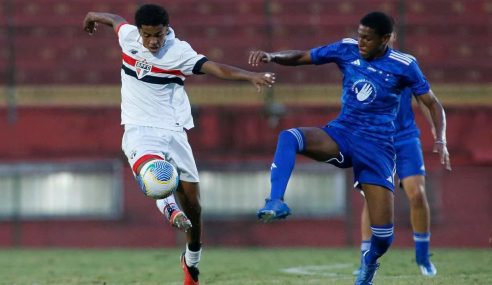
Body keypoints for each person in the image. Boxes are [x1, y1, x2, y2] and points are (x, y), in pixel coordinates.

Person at [249, 11, 450, 285]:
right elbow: (303, 56)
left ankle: (370, 261)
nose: (361, 42)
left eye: (367, 38)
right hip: (342, 134)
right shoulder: (346, 49)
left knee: (383, 237)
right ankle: (276, 201)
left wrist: (440, 139)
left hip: (378, 150)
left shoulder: (404, 65)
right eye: (360, 35)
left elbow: (432, 103)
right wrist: (272, 56)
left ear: (385, 39)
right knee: (290, 136)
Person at [83, 4, 275, 285]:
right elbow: (115, 20)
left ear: (167, 29)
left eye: (158, 35)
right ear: (139, 32)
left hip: (174, 131)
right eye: (147, 35)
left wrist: (250, 76)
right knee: (154, 173)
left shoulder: (179, 52)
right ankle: (169, 209)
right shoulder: (128, 38)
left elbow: (214, 67)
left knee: (194, 208)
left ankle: (191, 263)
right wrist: (92, 17)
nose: (152, 42)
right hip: (139, 128)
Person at [353, 30, 451, 277]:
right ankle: (366, 257)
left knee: (417, 194)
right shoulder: (359, 65)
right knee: (371, 199)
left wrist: (437, 134)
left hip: (406, 139)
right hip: (376, 141)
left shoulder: (405, 65)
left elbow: (426, 100)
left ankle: (422, 256)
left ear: (390, 38)